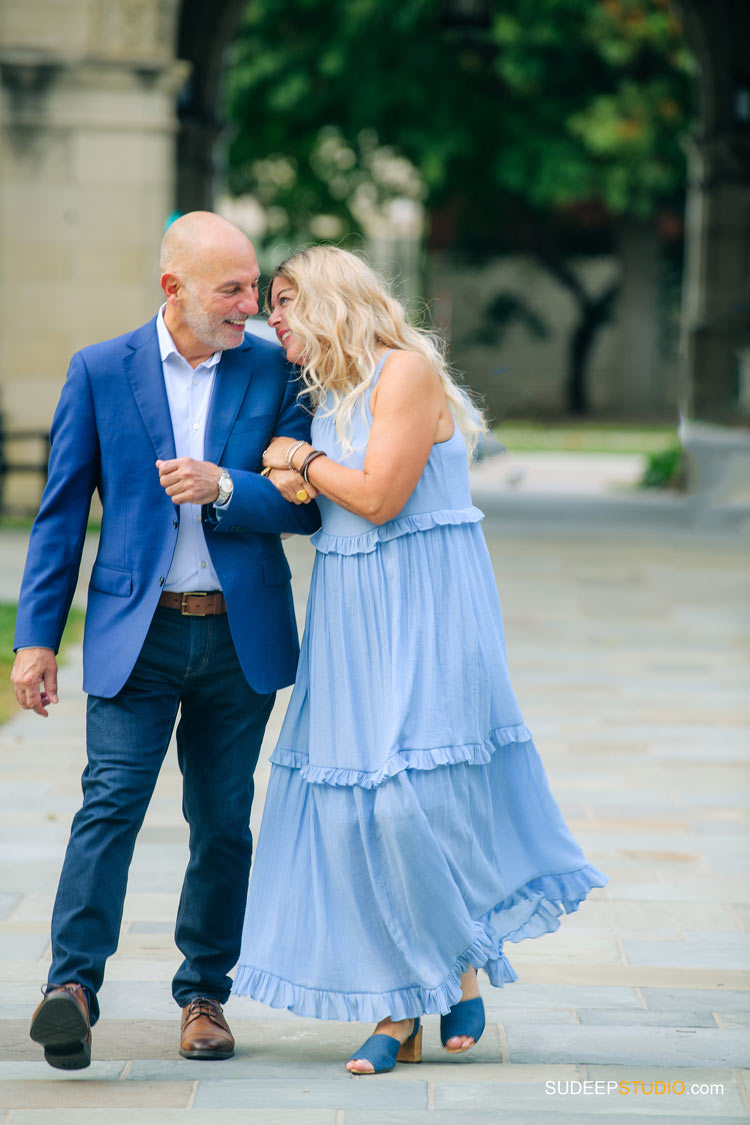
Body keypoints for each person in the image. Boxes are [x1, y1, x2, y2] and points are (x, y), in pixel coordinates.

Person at [231, 245, 607, 1073]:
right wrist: (299, 473)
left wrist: (301, 461)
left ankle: (439, 981)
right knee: (357, 808)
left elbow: (379, 495)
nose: (274, 318)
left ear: (332, 300)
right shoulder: (323, 389)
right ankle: (414, 995)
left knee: (412, 802)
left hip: (427, 603)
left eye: (286, 300)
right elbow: (328, 504)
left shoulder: (403, 372)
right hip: (352, 605)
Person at [11, 212, 320, 1071]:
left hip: (237, 636)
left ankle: (204, 997)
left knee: (222, 823)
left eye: (253, 287)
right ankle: (70, 989)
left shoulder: (273, 366)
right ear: (172, 287)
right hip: (132, 638)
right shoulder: (102, 369)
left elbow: (307, 501)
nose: (249, 305)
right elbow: (61, 512)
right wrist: (36, 638)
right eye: (232, 289)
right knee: (108, 806)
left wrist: (227, 487)